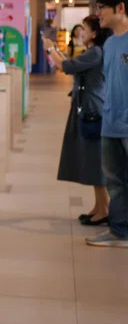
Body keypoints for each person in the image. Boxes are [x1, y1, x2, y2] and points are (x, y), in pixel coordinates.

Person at [44, 16, 110, 225]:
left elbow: (64, 66)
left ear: (94, 33)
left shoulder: (96, 52)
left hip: (93, 111)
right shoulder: (94, 52)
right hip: (88, 108)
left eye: (85, 29)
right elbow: (70, 65)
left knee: (95, 161)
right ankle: (99, 206)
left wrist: (49, 49)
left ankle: (105, 209)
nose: (80, 32)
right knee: (91, 160)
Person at [87, 0, 128, 248]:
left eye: (101, 7)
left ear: (120, 8)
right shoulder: (110, 43)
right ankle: (119, 231)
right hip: (110, 124)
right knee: (115, 182)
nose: (97, 13)